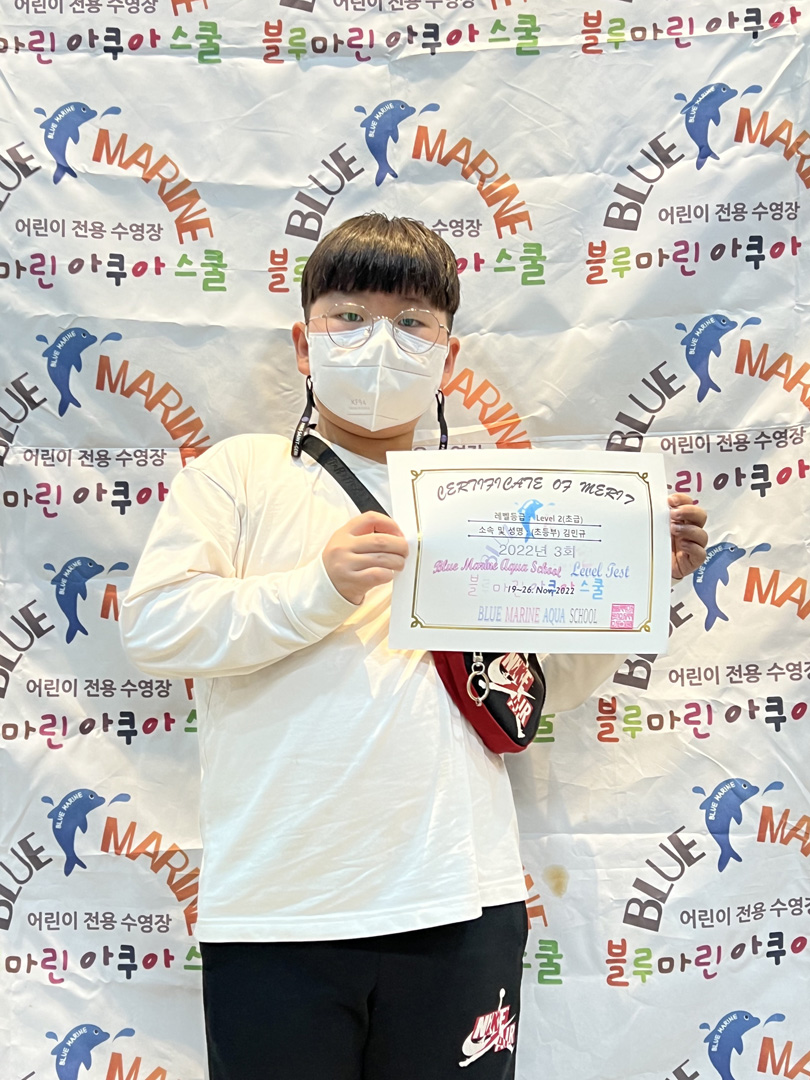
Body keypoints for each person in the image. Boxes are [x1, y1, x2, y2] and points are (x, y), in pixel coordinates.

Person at [120, 213, 709, 1080]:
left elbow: (540, 684)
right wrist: (318, 585)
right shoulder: (238, 474)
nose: (378, 340)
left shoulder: (490, 500)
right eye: (348, 316)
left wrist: (638, 581)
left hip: (460, 901)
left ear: (448, 356)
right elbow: (156, 627)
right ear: (303, 342)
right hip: (279, 908)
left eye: (412, 322)